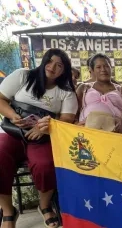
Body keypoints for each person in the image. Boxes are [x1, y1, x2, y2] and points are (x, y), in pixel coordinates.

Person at [0, 48, 78, 228]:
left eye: (59, 65)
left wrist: (46, 127)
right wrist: (13, 115)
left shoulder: (66, 92)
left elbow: (67, 120)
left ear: (64, 70)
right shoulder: (23, 76)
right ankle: (8, 210)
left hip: (43, 135)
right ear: (43, 61)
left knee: (45, 165)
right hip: (13, 130)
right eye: (50, 61)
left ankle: (44, 205)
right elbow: (1, 98)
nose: (52, 67)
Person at [76, 53, 122, 131]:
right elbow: (75, 112)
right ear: (92, 70)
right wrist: (76, 124)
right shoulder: (84, 88)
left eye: (106, 66)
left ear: (111, 68)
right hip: (88, 132)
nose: (103, 70)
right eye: (98, 67)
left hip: (116, 133)